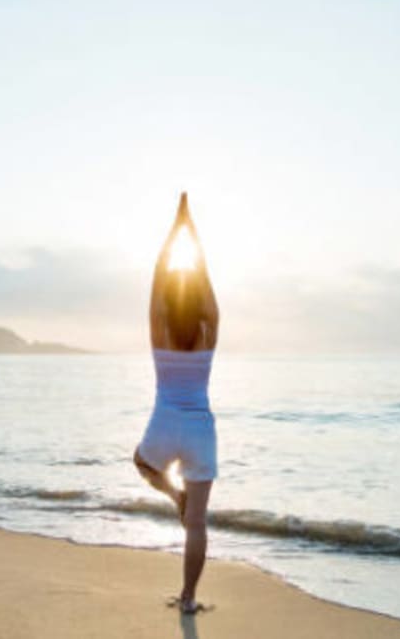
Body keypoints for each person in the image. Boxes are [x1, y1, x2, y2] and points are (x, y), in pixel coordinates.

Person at [133, 192, 220, 615]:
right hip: (201, 426)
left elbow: (158, 275)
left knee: (143, 464)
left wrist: (175, 229)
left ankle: (173, 495)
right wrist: (194, 233)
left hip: (166, 419)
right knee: (198, 525)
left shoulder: (158, 330)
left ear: (168, 306)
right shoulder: (209, 333)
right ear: (201, 310)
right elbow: (201, 277)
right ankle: (188, 599)